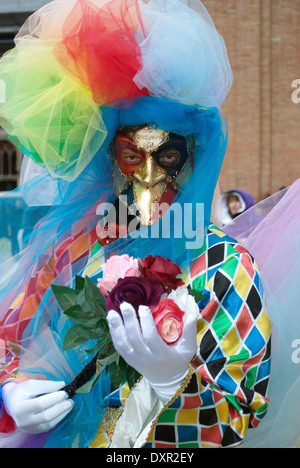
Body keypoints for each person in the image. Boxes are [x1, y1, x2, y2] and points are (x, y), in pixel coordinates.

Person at [0, 0, 274, 449]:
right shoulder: (75, 248)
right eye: (132, 155)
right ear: (109, 159)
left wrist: (173, 386)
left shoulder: (224, 266)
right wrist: (11, 390)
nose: (148, 177)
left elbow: (240, 412)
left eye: (167, 156)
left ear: (191, 162)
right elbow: (9, 337)